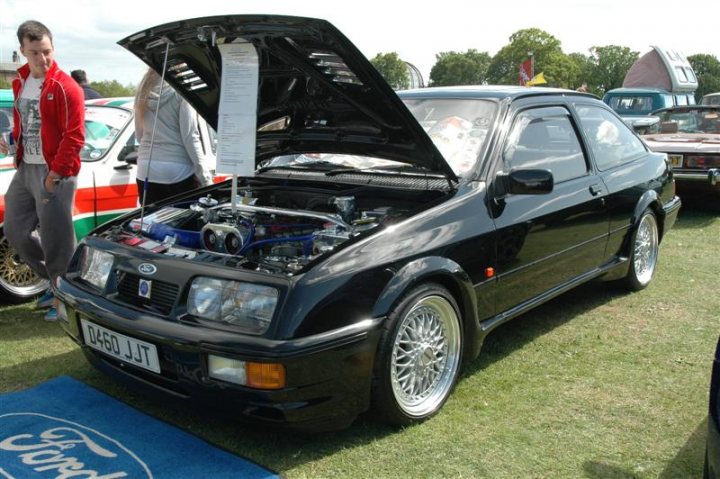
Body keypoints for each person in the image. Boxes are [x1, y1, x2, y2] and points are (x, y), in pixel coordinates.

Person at [0, 20, 85, 321]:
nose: (43, 59)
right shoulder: (19, 82)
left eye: (47, 51)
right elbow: (23, 122)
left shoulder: (66, 86)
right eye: (35, 52)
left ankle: (64, 298)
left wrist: (55, 175)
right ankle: (54, 282)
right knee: (14, 230)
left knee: (57, 240)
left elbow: (75, 136)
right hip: (25, 169)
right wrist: (11, 141)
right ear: (23, 50)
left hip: (55, 173)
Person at [134, 68, 214, 205]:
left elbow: (139, 134)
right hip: (177, 170)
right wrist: (205, 178)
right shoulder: (181, 91)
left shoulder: (142, 91)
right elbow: (190, 137)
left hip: (145, 168)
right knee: (185, 222)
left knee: (151, 222)